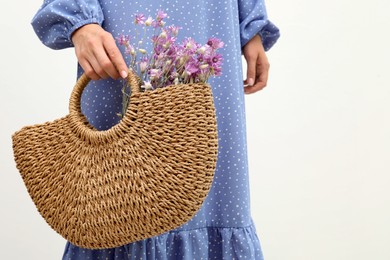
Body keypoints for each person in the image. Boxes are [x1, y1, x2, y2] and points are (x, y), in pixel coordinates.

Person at [31, 0, 280, 259]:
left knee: (212, 192)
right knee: (118, 200)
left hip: (213, 19)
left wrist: (251, 24)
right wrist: (80, 24)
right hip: (125, 28)